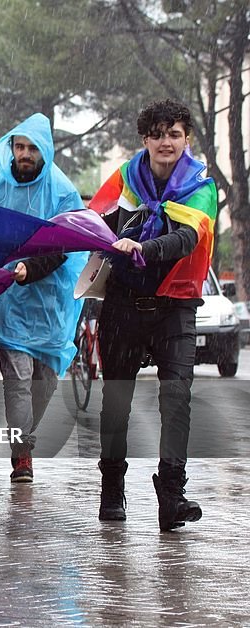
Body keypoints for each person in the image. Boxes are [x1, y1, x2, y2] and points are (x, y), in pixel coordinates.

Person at [90, 99, 215, 531]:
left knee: (177, 398)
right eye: (158, 133)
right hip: (123, 303)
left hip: (175, 307)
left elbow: (186, 240)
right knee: (116, 402)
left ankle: (172, 495)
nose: (166, 141)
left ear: (187, 140)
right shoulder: (124, 179)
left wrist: (144, 248)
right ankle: (112, 489)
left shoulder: (201, 185)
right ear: (145, 138)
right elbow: (92, 222)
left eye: (175, 134)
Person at [0, 113, 86, 482]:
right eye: (19, 147)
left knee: (44, 384)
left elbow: (67, 244)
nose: (24, 154)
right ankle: (22, 456)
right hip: (10, 306)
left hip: (52, 307)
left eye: (32, 148)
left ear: (45, 151)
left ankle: (24, 438)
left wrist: (31, 269)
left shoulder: (63, 192)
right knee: (17, 382)